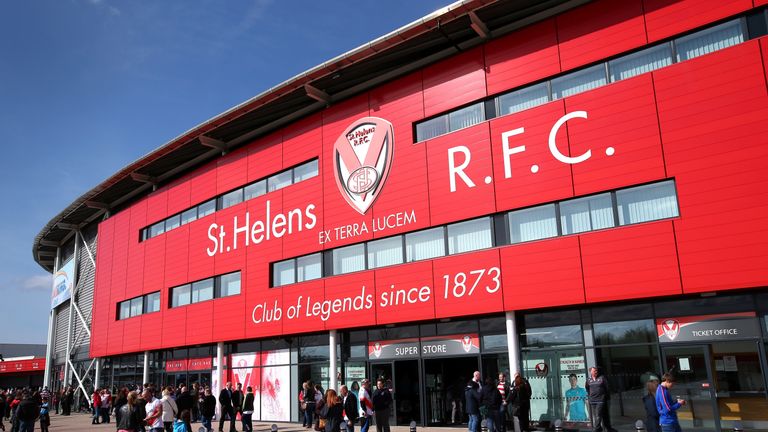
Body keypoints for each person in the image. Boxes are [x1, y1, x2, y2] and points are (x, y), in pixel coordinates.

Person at [586, 367, 615, 432]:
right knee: (596, 415)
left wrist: (605, 396)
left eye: (596, 371)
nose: (596, 372)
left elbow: (607, 388)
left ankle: (596, 429)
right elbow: (587, 388)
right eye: (594, 371)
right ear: (591, 372)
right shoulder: (588, 380)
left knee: (598, 415)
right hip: (593, 400)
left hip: (600, 400)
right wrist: (590, 395)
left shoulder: (602, 378)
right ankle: (602, 428)